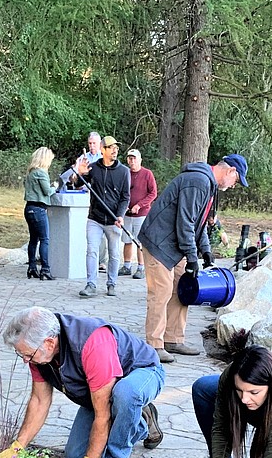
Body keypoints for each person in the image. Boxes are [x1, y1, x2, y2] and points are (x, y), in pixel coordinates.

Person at [0, 306, 166, 458]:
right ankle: (140, 419)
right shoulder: (38, 352)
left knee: (126, 394)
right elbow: (39, 401)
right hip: (97, 392)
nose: (25, 360)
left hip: (141, 374)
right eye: (22, 354)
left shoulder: (91, 342)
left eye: (27, 354)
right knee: (76, 456)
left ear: (49, 343)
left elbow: (102, 414)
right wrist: (18, 446)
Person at [139, 154, 248, 363]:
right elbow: (185, 222)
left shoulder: (208, 184)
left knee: (182, 290)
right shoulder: (197, 181)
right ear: (231, 171)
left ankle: (173, 339)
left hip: (174, 244)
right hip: (159, 241)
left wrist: (205, 252)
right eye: (236, 180)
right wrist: (191, 256)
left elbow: (199, 224)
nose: (234, 186)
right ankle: (154, 345)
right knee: (160, 292)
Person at [62, 136, 130, 298]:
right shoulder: (93, 168)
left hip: (114, 220)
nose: (115, 150)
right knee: (92, 250)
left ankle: (111, 283)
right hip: (95, 219)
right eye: (111, 147)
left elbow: (125, 197)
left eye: (116, 148)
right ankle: (91, 284)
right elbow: (77, 184)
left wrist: (120, 216)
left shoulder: (124, 172)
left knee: (114, 254)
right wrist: (80, 173)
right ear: (102, 150)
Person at [120, 149, 157, 279]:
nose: (132, 161)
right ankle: (126, 266)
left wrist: (139, 205)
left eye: (134, 158)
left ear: (140, 159)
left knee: (140, 241)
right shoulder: (125, 173)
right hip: (127, 213)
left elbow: (153, 193)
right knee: (127, 240)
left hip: (141, 214)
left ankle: (141, 267)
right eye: (130, 158)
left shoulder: (147, 174)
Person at [23, 147, 57, 280]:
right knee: (44, 239)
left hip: (29, 208)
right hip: (39, 209)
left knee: (33, 240)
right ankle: (45, 269)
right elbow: (47, 191)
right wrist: (56, 186)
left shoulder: (30, 172)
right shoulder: (42, 173)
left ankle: (32, 267)